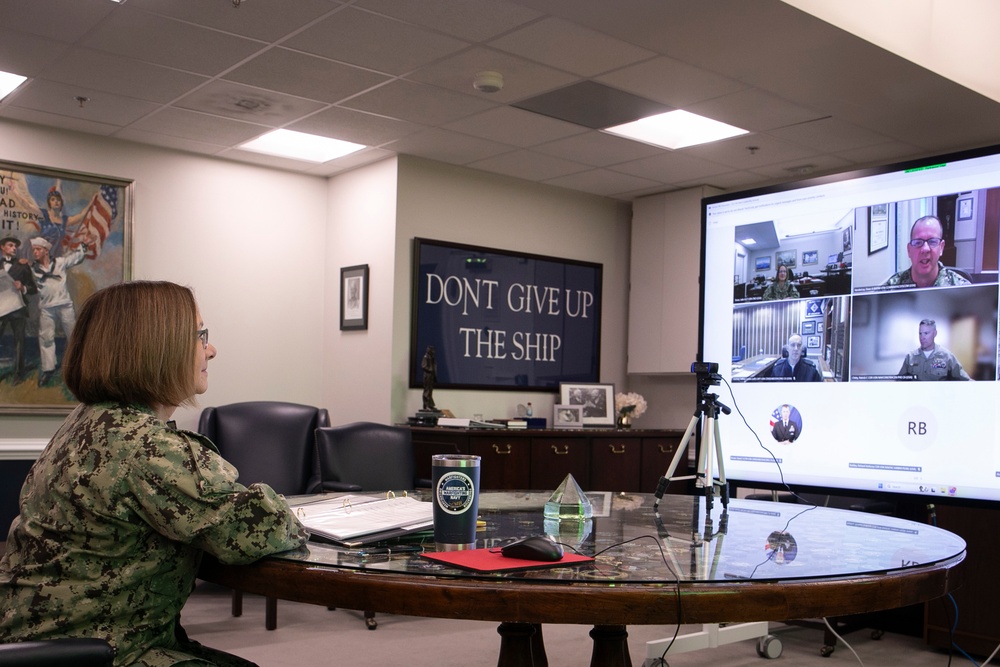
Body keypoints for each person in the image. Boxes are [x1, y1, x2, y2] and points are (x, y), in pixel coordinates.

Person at [0, 280, 308, 666]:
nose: (211, 350)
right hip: (106, 652)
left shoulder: (89, 420)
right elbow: (258, 530)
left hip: (43, 643)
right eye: (200, 336)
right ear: (158, 349)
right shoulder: (145, 445)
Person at [29, 236, 89, 386]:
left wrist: (83, 245)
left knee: (73, 334)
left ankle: (79, 366)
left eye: (38, 249)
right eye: (33, 250)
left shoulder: (60, 263)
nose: (35, 252)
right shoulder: (32, 268)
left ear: (46, 251)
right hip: (46, 308)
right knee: (46, 338)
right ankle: (48, 368)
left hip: (64, 305)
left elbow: (76, 258)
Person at [882, 215, 971, 288]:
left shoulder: (961, 289)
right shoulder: (891, 289)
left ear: (941, 248)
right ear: (909, 250)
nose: (925, 249)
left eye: (932, 241)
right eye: (918, 242)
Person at [0, 236, 37, 382]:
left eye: (15, 246)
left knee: (19, 341)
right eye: (10, 245)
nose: (14, 248)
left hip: (17, 309)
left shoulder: (23, 266)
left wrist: (23, 287)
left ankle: (18, 373)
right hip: (0, 310)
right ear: (2, 247)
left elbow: (33, 288)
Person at [898, 318, 971, 381]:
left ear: (935, 333)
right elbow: (899, 380)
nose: (922, 337)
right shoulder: (910, 357)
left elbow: (965, 379)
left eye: (926, 333)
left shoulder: (947, 356)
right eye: (920, 333)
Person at [421, 344, 437, 411]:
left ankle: (430, 405)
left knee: (430, 390)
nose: (433, 352)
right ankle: (426, 405)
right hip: (427, 376)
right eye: (432, 350)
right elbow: (424, 366)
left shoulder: (432, 357)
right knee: (427, 391)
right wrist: (430, 369)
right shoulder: (426, 357)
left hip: (431, 376)